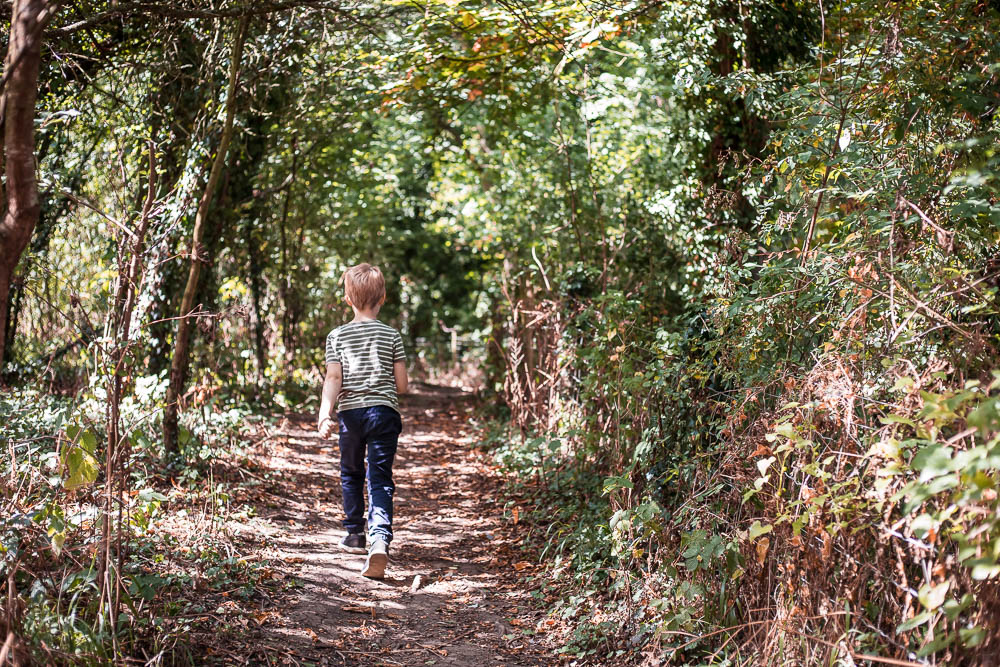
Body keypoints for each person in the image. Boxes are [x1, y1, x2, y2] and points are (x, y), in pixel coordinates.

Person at [317, 263, 408, 579]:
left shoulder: (337, 336)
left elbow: (333, 377)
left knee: (351, 471)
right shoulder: (391, 335)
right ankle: (380, 538)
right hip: (384, 412)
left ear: (347, 298)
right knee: (380, 477)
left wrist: (324, 413)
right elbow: (402, 386)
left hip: (351, 414)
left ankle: (355, 533)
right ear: (382, 297)